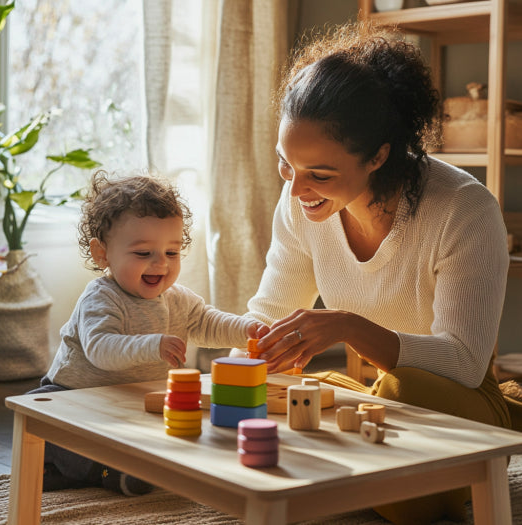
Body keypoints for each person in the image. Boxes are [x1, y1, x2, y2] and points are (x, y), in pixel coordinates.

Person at [245, 22, 512, 525]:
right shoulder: (300, 202)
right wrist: (244, 366)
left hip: (458, 405)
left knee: (397, 395)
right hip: (378, 400)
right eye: (286, 165)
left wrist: (347, 326)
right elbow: (267, 311)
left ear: (378, 156)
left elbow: (464, 363)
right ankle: (361, 472)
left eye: (319, 174)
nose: (297, 189)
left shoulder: (462, 210)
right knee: (283, 393)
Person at [28, 169, 268, 496]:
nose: (161, 264)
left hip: (133, 400)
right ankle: (104, 471)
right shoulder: (101, 297)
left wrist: (247, 329)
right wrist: (152, 345)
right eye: (144, 253)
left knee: (176, 425)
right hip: (76, 397)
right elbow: (102, 348)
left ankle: (71, 471)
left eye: (172, 252)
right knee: (48, 419)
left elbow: (208, 323)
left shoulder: (178, 299)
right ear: (103, 254)